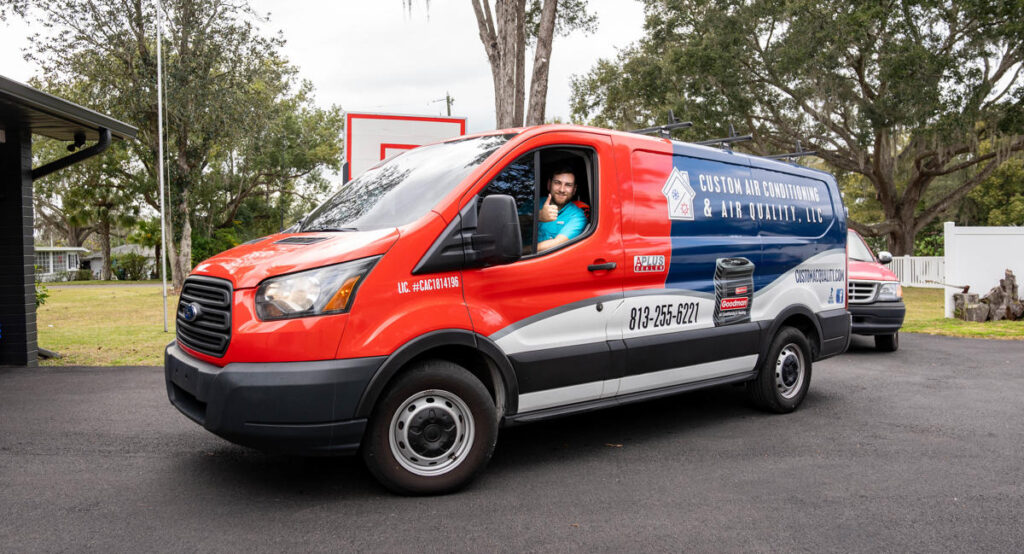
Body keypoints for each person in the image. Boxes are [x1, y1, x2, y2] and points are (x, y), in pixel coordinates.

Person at [537, 166, 587, 251]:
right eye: (557, 183)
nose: (562, 189)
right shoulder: (535, 202)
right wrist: (536, 217)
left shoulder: (577, 216)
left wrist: (521, 251)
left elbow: (556, 244)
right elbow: (514, 222)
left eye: (568, 185)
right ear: (549, 185)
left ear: (574, 190)